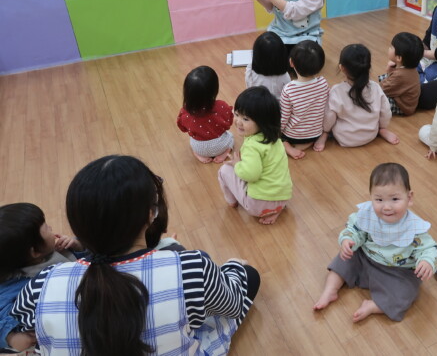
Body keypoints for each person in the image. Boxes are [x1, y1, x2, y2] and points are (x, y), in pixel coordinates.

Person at [11, 155, 259, 356]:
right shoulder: (191, 267)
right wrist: (233, 268)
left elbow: (28, 326)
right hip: (195, 288)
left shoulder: (43, 283)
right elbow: (232, 306)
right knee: (247, 275)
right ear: (150, 213)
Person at [313, 163, 437, 322]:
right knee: (343, 260)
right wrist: (348, 240)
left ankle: (373, 306)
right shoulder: (367, 215)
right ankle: (330, 290)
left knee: (406, 293)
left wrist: (426, 261)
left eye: (395, 199)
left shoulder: (414, 227)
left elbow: (429, 248)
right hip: (365, 258)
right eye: (379, 199)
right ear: (371, 197)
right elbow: (354, 229)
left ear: (409, 197)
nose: (386, 207)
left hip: (397, 271)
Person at [0, 203, 83, 353]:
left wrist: (79, 246)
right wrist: (10, 337)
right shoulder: (14, 284)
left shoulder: (54, 250)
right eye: (46, 228)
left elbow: (87, 258)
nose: (51, 228)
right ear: (35, 252)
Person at [218, 86, 293, 225]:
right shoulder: (276, 140)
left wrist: (237, 164)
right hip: (283, 198)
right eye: (237, 114)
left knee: (224, 170)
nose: (238, 121)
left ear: (263, 122)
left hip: (257, 206)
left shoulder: (252, 146)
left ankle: (232, 201)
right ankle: (276, 210)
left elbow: (251, 175)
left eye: (246, 119)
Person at [314, 44, 398, 151]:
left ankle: (324, 136)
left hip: (344, 138)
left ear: (341, 68)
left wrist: (325, 131)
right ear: (368, 67)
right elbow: (386, 112)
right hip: (371, 134)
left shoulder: (336, 91)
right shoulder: (375, 87)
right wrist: (383, 127)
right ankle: (382, 131)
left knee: (328, 125)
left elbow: (329, 117)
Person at [279, 40, 329, 159]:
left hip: (292, 136)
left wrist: (276, 132)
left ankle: (287, 146)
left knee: (269, 131)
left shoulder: (288, 89)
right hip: (315, 133)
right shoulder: (323, 83)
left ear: (291, 62)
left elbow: (284, 117)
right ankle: (311, 142)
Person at [177, 66, 234, 164]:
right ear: (215, 89)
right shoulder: (222, 106)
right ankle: (225, 152)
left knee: (192, 141)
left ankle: (197, 154)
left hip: (199, 147)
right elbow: (229, 123)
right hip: (220, 146)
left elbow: (183, 128)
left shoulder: (185, 112)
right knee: (231, 136)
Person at [378, 32, 423, 116]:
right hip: (404, 100)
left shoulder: (400, 75)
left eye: (391, 47)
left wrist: (388, 71)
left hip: (402, 107)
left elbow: (382, 89)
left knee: (375, 99)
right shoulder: (410, 69)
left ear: (399, 58)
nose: (389, 48)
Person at [245, 31, 291, 99]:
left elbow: (249, 90)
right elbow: (288, 96)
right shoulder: (284, 76)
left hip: (256, 103)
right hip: (278, 105)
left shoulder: (250, 71)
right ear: (282, 55)